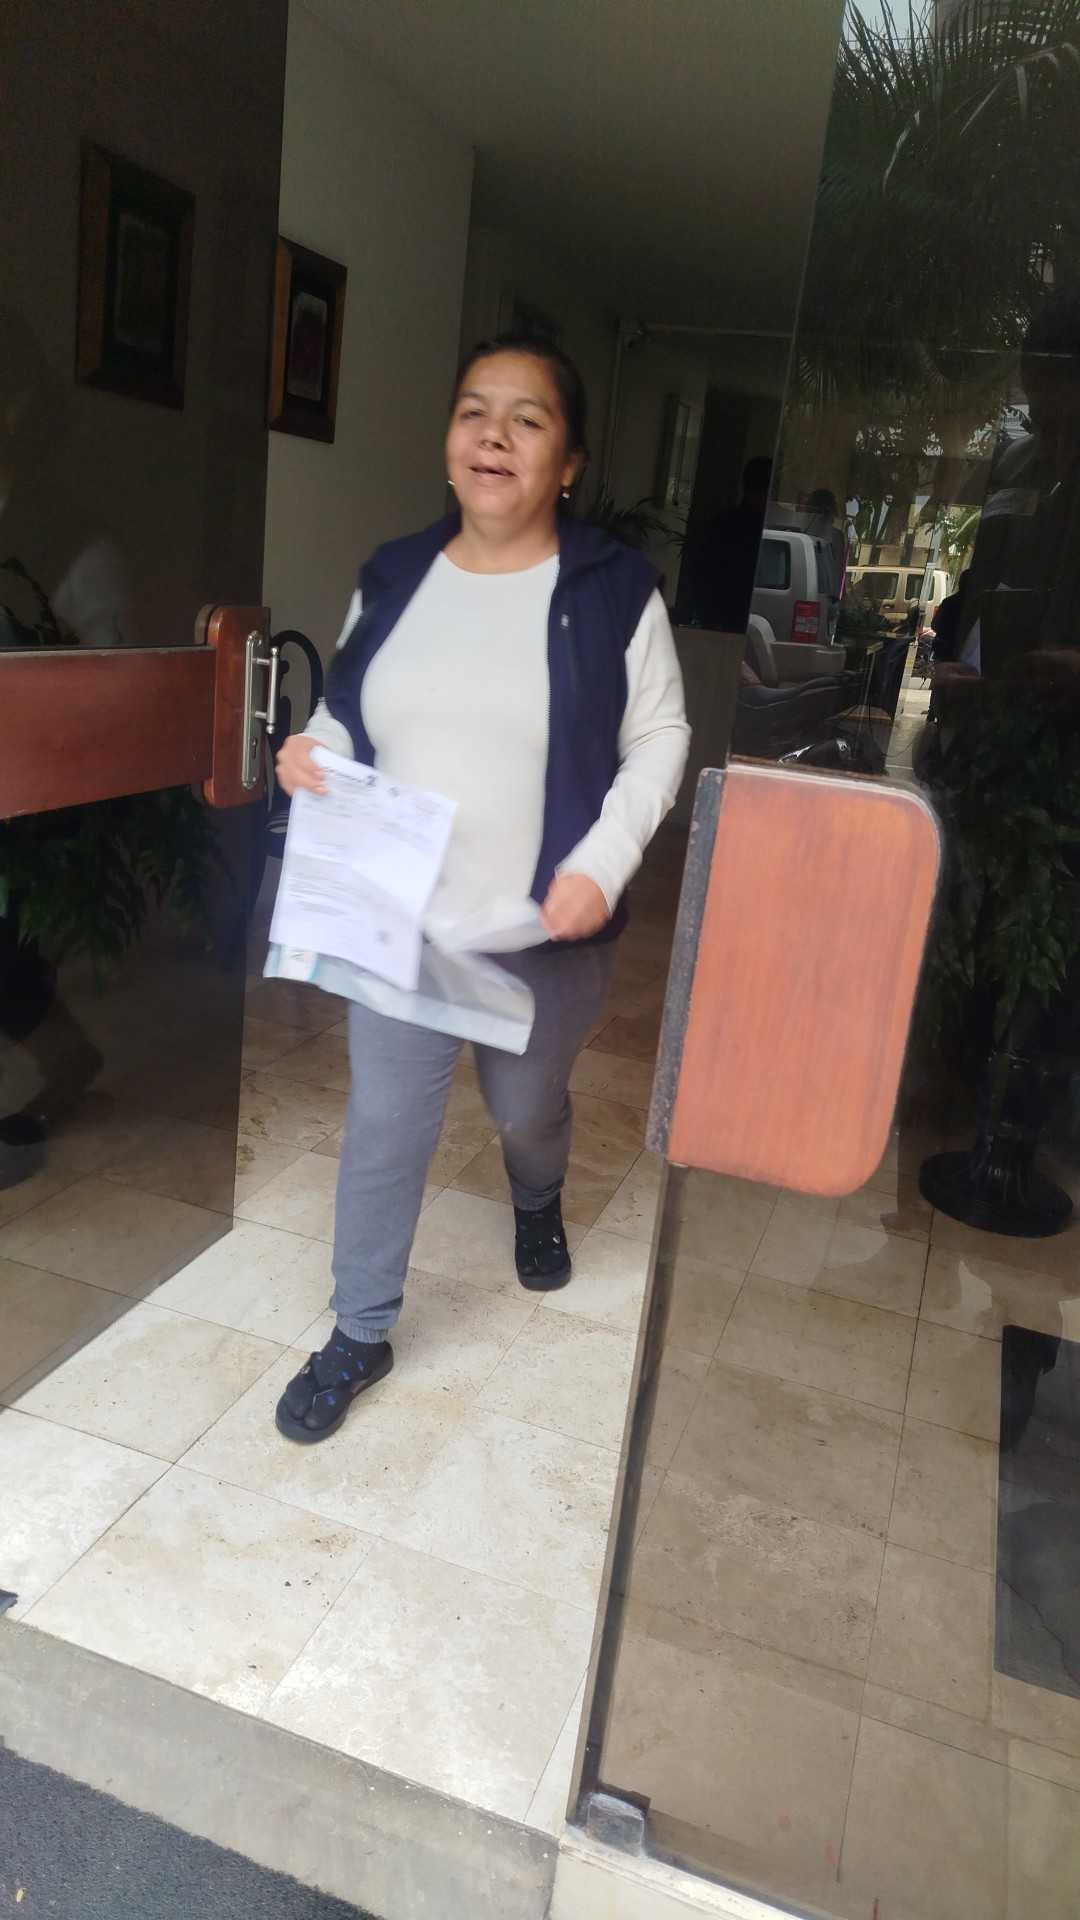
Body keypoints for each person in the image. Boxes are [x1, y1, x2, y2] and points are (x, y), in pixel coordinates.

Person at [271, 334, 690, 1443]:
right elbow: (349, 708)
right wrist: (313, 748)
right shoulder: (395, 574)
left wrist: (599, 867)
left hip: (540, 932)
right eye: (474, 411)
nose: (493, 435)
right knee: (384, 1125)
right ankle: (360, 1328)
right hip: (403, 922)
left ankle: (536, 1197)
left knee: (526, 1110)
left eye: (527, 418)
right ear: (450, 439)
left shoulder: (613, 589)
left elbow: (660, 738)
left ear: (570, 462)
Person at [677, 455, 772, 632]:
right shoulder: (731, 527)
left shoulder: (726, 523)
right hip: (724, 621)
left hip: (726, 620)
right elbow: (704, 574)